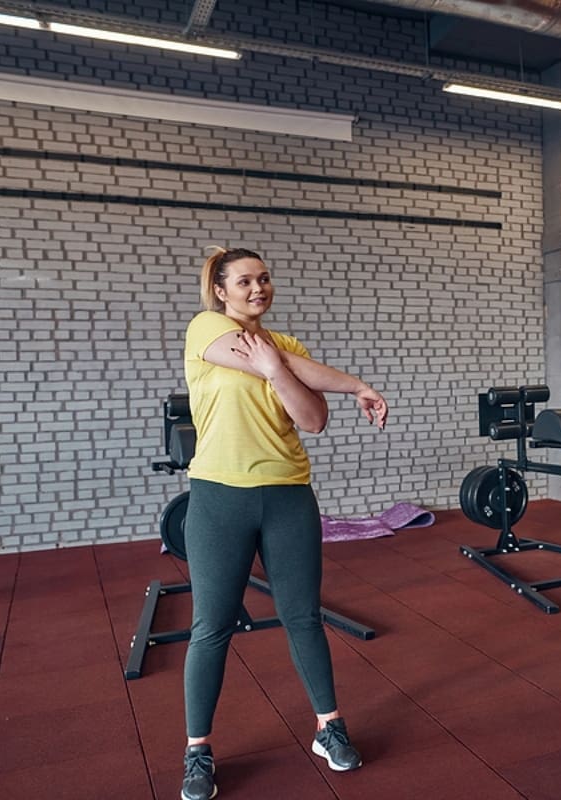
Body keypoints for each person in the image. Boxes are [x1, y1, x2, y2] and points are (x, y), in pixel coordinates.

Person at [178, 246, 389, 800]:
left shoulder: (287, 347)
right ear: (221, 291)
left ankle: (329, 727)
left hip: (288, 496)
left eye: (264, 279)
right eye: (245, 281)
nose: (257, 289)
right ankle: (197, 750)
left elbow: (313, 420)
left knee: (303, 616)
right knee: (212, 625)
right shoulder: (206, 328)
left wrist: (289, 368)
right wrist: (298, 372)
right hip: (220, 496)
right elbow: (271, 364)